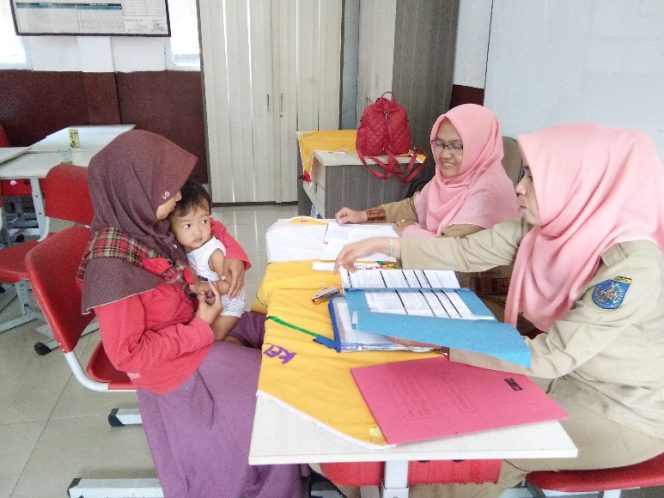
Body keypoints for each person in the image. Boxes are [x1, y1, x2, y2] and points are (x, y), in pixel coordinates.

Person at [333, 123, 664, 498]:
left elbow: (552, 355)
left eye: (534, 178)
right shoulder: (546, 227)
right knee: (447, 393)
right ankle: (384, 482)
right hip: (567, 379)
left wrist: (443, 338)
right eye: (524, 173)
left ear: (580, 185)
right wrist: (388, 245)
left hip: (621, 409)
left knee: (479, 450)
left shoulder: (630, 267)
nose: (519, 187)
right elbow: (465, 252)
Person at [78, 130, 307, 498]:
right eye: (167, 192)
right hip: (177, 358)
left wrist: (227, 258)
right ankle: (275, 485)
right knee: (274, 387)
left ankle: (303, 453)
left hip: (194, 317)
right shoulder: (112, 269)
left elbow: (208, 226)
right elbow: (128, 355)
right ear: (135, 192)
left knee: (287, 328)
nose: (177, 199)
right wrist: (201, 327)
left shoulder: (143, 224)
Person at [337, 104, 519, 319]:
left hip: (485, 297)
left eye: (457, 146)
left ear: (479, 146)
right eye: (439, 144)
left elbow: (450, 254)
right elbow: (412, 206)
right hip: (446, 283)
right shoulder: (451, 178)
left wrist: (409, 232)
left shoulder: (489, 191)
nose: (444, 154)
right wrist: (364, 215)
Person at [169, 179, 246, 341]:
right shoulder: (182, 248)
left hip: (229, 305)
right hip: (211, 304)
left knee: (212, 339)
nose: (198, 232)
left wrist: (199, 286)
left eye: (204, 221)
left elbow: (230, 285)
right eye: (188, 225)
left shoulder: (213, 253)